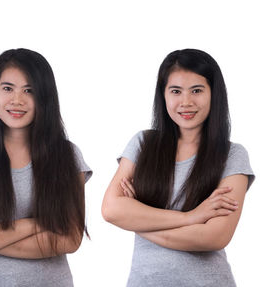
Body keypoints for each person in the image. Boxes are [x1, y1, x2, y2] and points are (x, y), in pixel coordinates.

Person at [101, 48, 254, 287]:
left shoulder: (232, 155)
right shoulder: (143, 144)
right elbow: (111, 210)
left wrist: (137, 221)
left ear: (214, 94)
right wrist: (193, 217)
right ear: (163, 95)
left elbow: (214, 236)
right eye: (175, 91)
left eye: (197, 90)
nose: (186, 102)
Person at [0, 48, 92, 286]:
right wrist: (38, 223)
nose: (17, 100)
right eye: (7, 88)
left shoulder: (67, 154)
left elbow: (70, 240)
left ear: (45, 97)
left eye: (29, 90)